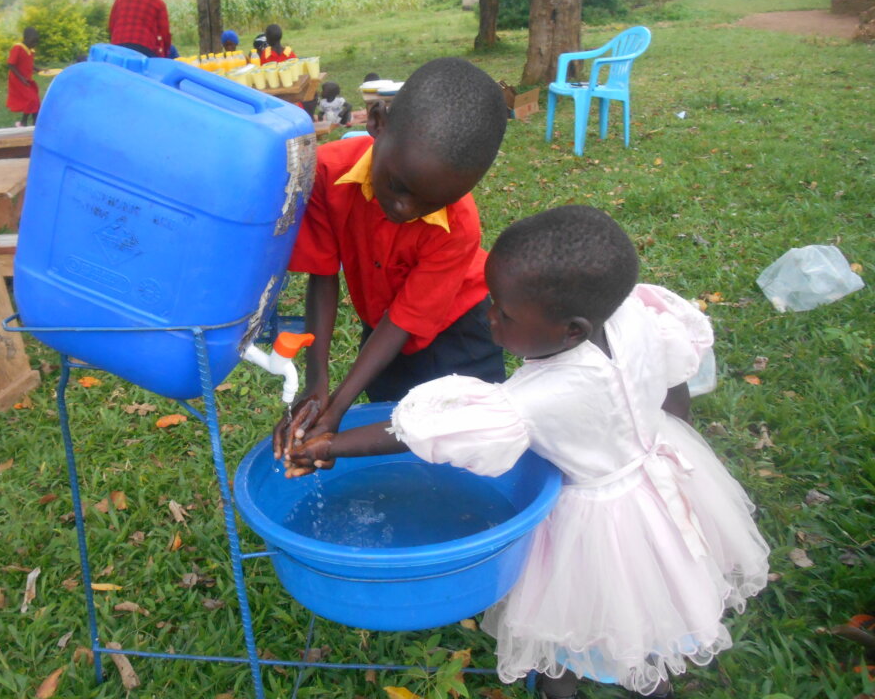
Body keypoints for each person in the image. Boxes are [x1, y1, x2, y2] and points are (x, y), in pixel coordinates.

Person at [284, 205, 771, 699]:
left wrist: (335, 445)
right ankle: (651, 681)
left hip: (592, 518)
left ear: (572, 330)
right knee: (652, 586)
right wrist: (671, 434)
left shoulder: (537, 395)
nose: (488, 316)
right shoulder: (637, 315)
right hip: (658, 480)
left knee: (570, 605)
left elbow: (425, 434)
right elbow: (673, 387)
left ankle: (559, 685)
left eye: (504, 312)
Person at [272, 56, 508, 462]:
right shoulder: (327, 174)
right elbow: (323, 276)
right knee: (394, 428)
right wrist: (317, 384)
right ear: (377, 122)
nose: (405, 209)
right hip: (382, 332)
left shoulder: (458, 225)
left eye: (433, 202)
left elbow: (406, 318)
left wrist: (338, 408)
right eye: (399, 186)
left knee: (466, 439)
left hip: (459, 335)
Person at [108, 0, 172, 58]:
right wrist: (165, 53)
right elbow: (164, 33)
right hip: (143, 46)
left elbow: (111, 25)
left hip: (118, 46)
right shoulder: (157, 3)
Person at [6, 27, 41, 127]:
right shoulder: (18, 48)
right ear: (25, 38)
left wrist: (38, 69)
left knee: (35, 100)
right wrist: (21, 78)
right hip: (18, 79)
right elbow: (11, 64)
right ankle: (24, 123)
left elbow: (28, 64)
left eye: (36, 42)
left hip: (27, 79)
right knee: (32, 99)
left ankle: (34, 122)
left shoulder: (30, 50)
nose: (34, 44)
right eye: (32, 41)